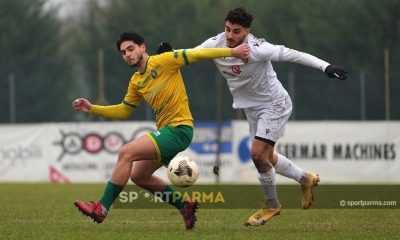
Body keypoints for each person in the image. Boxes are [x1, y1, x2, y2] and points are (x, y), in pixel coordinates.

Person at [72, 31, 250, 230]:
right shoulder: (136, 81)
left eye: (131, 49)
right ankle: (184, 206)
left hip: (179, 130)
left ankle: (101, 208)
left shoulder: (164, 61)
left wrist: (232, 51)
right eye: (123, 52)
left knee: (126, 152)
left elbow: (197, 54)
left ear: (143, 47)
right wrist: (93, 109)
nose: (127, 55)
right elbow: (124, 111)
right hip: (168, 132)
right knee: (139, 176)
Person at [194, 7, 347, 226]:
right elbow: (191, 54)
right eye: (227, 29)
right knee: (267, 157)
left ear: (247, 31)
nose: (229, 36)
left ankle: (271, 205)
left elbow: (295, 55)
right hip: (252, 109)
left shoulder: (258, 49)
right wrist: (168, 54)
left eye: (236, 31)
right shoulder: (215, 44)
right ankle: (307, 179)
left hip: (274, 105)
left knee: (257, 154)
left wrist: (326, 67)